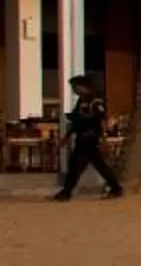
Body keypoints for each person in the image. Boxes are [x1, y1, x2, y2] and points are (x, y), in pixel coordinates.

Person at [52, 73, 121, 201]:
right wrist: (66, 137)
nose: (74, 90)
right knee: (96, 165)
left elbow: (102, 119)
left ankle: (66, 193)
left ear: (83, 86)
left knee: (76, 165)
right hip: (82, 137)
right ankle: (116, 188)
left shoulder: (95, 100)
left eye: (75, 87)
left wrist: (104, 138)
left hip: (90, 137)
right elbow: (76, 121)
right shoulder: (81, 101)